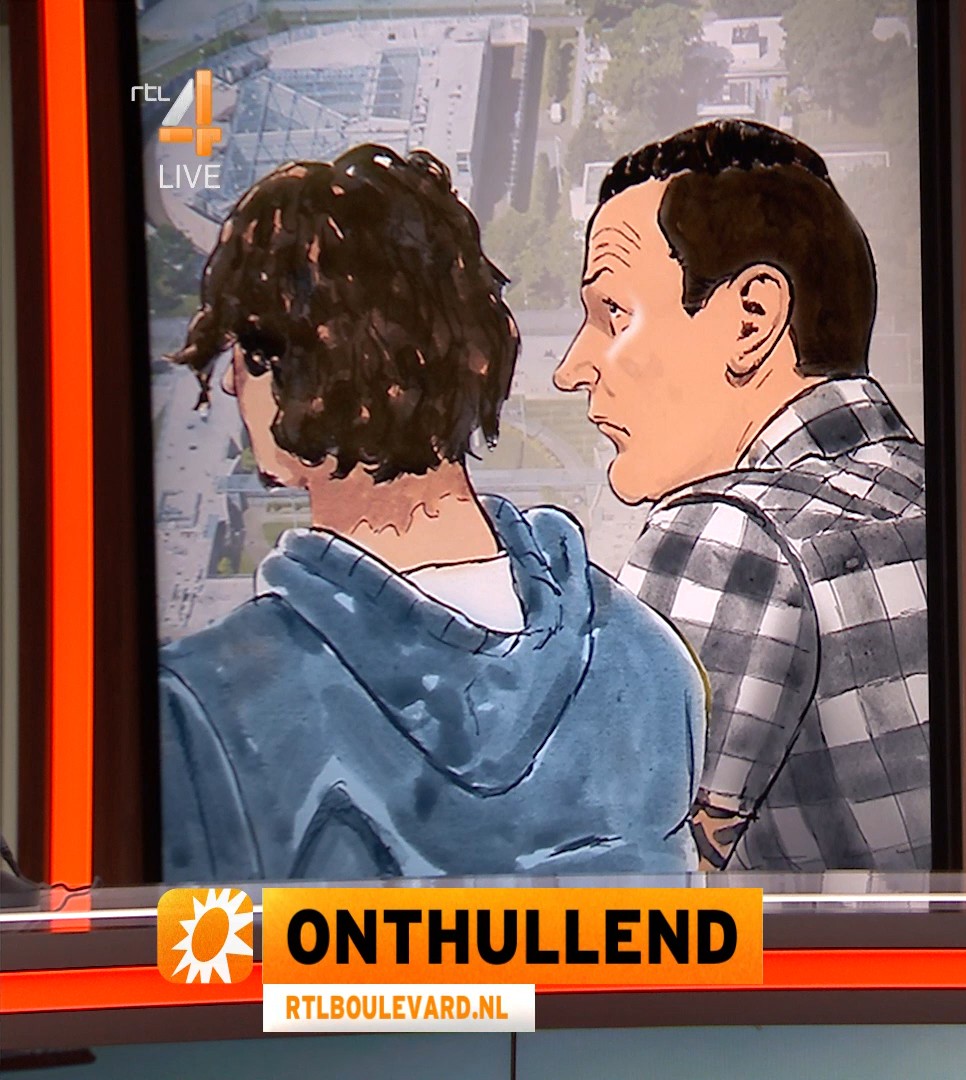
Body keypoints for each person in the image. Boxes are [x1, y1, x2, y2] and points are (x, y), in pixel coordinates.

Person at [159, 145, 706, 882]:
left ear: (304, 365)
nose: (231, 385)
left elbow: (184, 953)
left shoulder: (210, 706)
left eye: (249, 353)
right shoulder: (647, 655)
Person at [554, 119, 931, 871]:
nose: (572, 368)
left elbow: (607, 893)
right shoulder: (944, 497)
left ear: (751, 319)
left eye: (612, 314)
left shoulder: (728, 536)